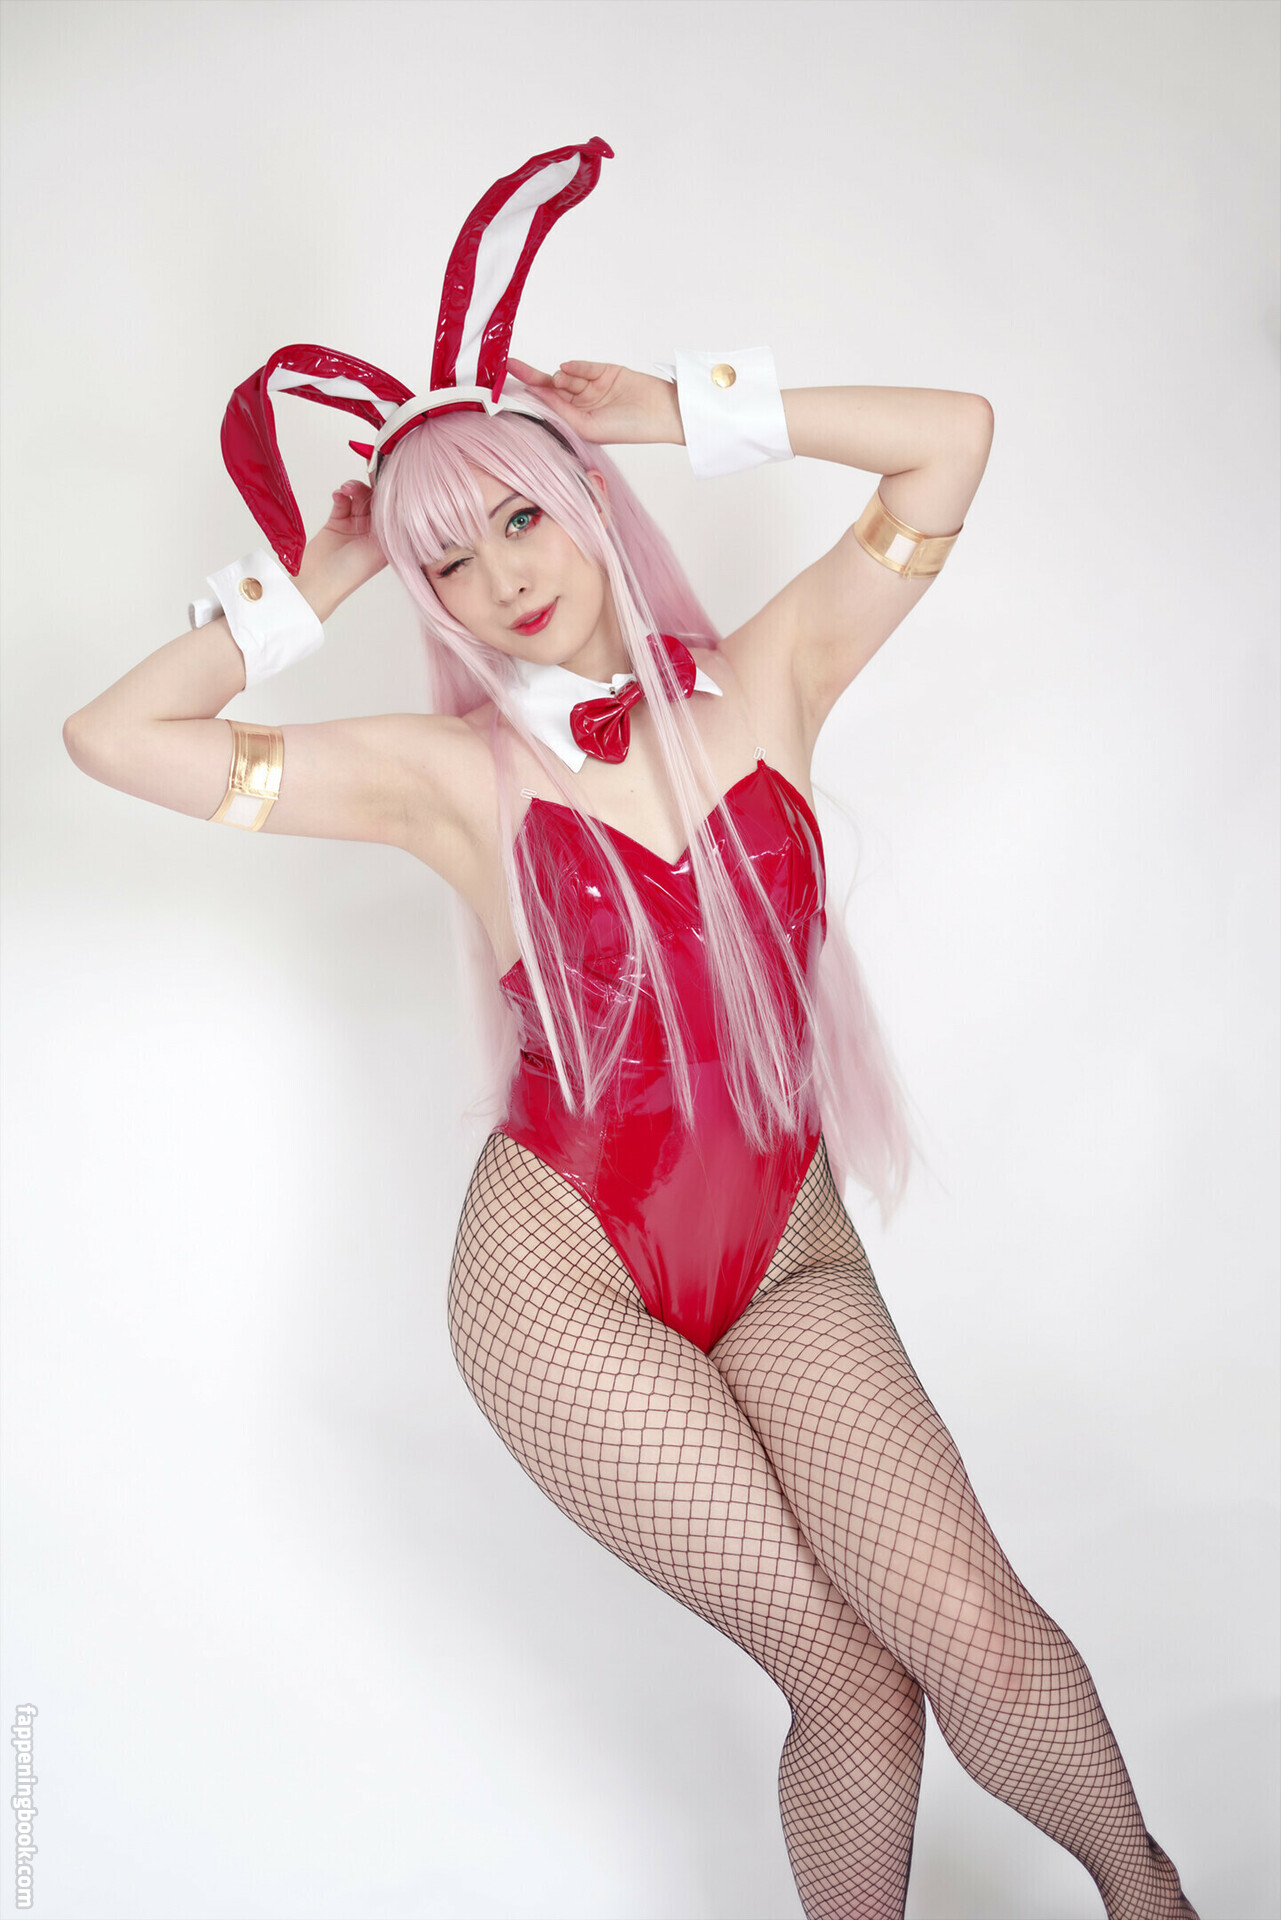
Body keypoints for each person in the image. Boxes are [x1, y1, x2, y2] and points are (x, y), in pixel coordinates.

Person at [61, 141, 1199, 1920]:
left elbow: (951, 438)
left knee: (969, 1628)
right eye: (453, 561)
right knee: (845, 1674)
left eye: (522, 516)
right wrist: (324, 570)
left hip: (785, 1248)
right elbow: (115, 739)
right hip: (564, 1279)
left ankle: (1152, 1898)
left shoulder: (771, 677)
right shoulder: (441, 777)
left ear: (584, 501)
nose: (504, 576)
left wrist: (672, 409)